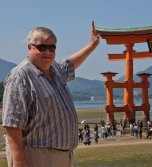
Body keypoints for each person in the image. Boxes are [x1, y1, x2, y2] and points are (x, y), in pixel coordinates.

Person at [2, 21, 100, 167]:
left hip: (63, 156)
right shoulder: (20, 76)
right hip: (37, 156)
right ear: (30, 47)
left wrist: (92, 45)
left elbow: (71, 63)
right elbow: (12, 124)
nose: (47, 52)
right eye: (42, 47)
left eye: (51, 47)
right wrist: (19, 162)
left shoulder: (55, 70)